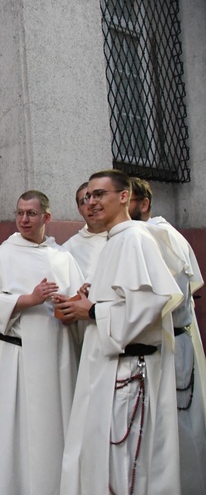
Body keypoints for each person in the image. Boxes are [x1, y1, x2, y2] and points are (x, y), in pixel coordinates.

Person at [57, 170, 183, 495]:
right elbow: (123, 298)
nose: (92, 202)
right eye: (88, 197)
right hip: (107, 369)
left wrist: (94, 310)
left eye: (100, 194)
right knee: (107, 461)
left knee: (124, 463)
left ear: (124, 196)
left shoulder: (135, 238)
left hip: (128, 371)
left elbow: (150, 302)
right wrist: (92, 297)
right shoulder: (116, 239)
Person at [0, 190, 84, 495]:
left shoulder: (63, 257)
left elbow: (76, 304)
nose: (24, 219)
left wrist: (71, 307)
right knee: (11, 430)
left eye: (31, 213)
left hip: (57, 354)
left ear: (46, 217)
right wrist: (29, 299)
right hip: (14, 356)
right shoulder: (3, 255)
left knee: (53, 429)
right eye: (19, 213)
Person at [129, 176, 206, 494]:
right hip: (156, 346)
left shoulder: (159, 235)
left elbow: (164, 299)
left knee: (178, 428)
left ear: (143, 204)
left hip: (171, 346)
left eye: (125, 199)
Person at [62, 182, 108, 279]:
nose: (90, 205)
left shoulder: (121, 237)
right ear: (79, 210)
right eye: (84, 202)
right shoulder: (68, 248)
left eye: (95, 198)